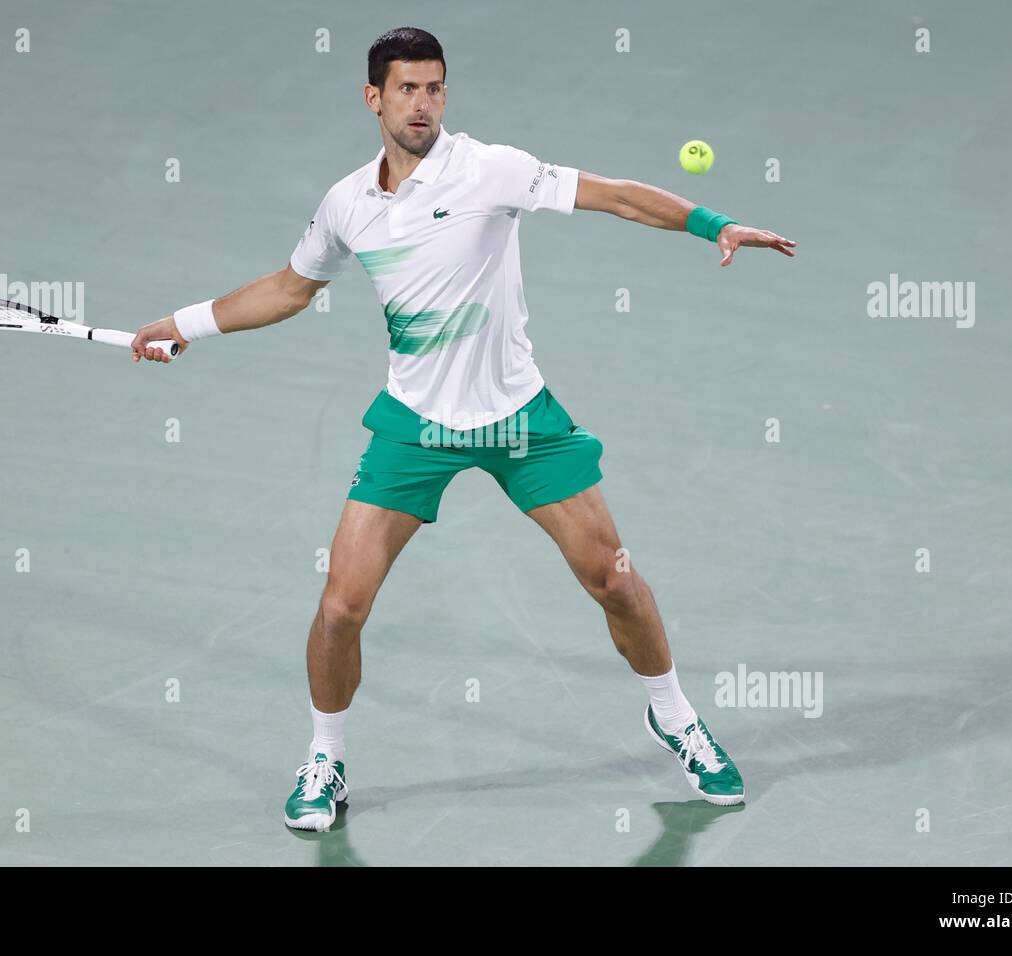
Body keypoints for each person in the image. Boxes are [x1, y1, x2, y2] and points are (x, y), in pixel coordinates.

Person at [132, 27, 797, 832]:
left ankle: (676, 716)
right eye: (407, 89)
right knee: (340, 608)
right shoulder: (349, 204)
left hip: (520, 420)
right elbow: (286, 289)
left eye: (435, 88)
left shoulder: (491, 170)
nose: (423, 104)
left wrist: (711, 222)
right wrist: (181, 324)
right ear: (373, 97)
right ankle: (325, 757)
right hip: (414, 426)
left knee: (615, 581)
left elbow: (615, 194)